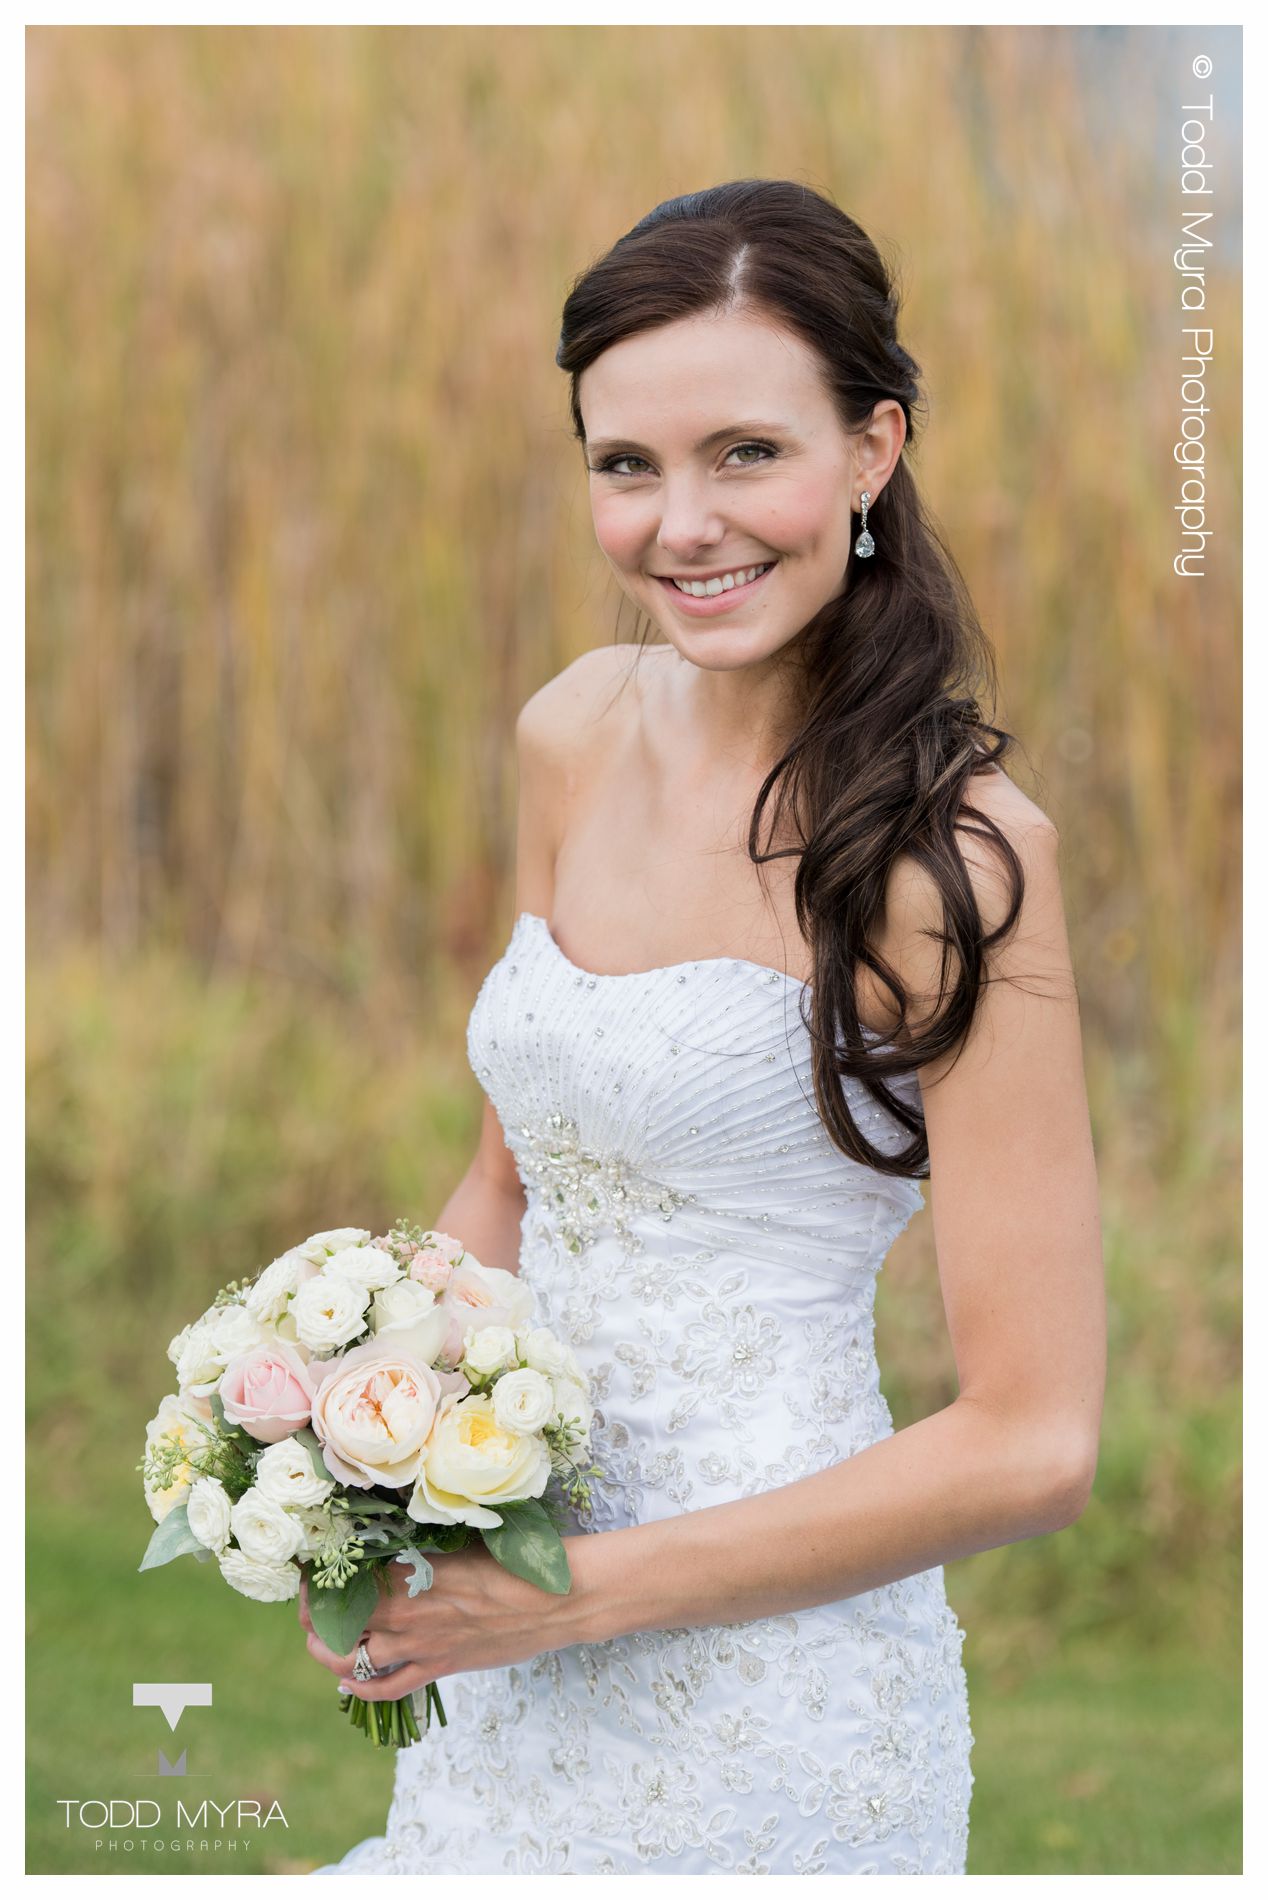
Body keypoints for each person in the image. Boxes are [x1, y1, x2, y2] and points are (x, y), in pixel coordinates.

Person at [307, 178, 1105, 1876]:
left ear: (874, 450)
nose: (684, 522)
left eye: (749, 452)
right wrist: (361, 1484)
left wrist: (562, 1600)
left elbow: (1034, 1441)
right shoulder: (573, 730)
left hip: (773, 1696)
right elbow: (506, 1188)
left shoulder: (954, 864)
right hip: (507, 1650)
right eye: (627, 464)